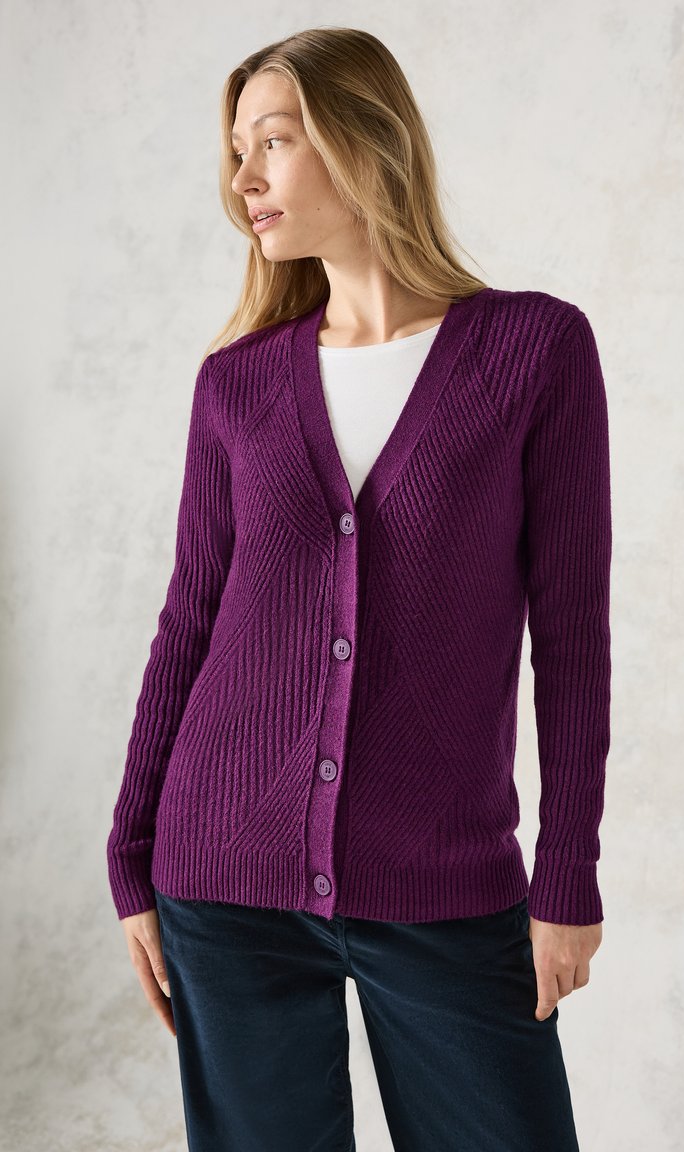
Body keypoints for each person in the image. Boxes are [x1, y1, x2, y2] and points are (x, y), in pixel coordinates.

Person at [107, 26, 611, 1152]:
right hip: (222, 877)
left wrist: (566, 871)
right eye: (236, 150)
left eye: (273, 141)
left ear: (363, 141)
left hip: (443, 877)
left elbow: (572, 635)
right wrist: (129, 855)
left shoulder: (533, 350)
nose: (243, 178)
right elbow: (189, 623)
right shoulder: (236, 385)